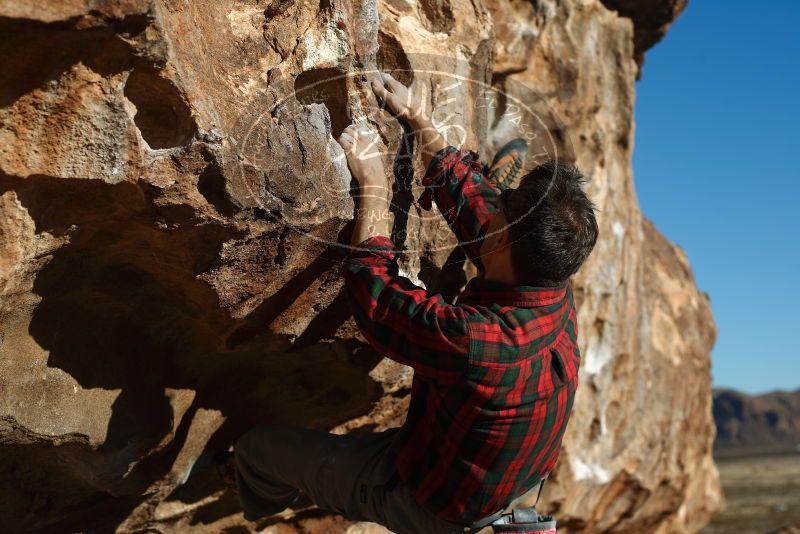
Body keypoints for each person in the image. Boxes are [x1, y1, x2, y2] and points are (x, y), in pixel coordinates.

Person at [228, 73, 599, 533]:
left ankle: (254, 503)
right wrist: (418, 119)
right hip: (489, 475)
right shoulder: (551, 286)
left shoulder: (475, 341)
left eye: (502, 209)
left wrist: (375, 184)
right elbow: (482, 213)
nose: (493, 209)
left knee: (258, 450)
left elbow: (375, 295)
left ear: (503, 239)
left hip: (433, 506)